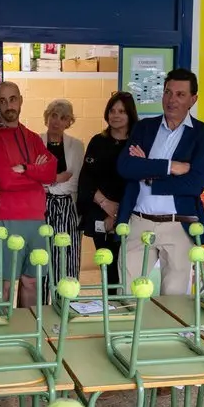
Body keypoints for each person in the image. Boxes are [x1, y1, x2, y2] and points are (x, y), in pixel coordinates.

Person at [117, 68, 204, 295]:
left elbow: (195, 184)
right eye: (168, 92)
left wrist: (149, 175)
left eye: (180, 94)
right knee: (128, 295)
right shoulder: (144, 127)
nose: (172, 100)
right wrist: (171, 167)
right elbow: (125, 167)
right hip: (138, 222)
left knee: (174, 299)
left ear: (193, 99)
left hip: (178, 225)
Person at [0, 81, 57, 307]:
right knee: (5, 284)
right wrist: (36, 173)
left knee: (32, 281)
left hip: (36, 219)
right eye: (2, 101)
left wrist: (25, 168)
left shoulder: (32, 137)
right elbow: (5, 179)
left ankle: (29, 326)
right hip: (7, 217)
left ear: (21, 100)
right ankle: (0, 328)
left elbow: (51, 172)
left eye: (12, 99)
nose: (8, 105)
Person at [78, 91, 138, 287]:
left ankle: (126, 304)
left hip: (130, 215)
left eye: (121, 111)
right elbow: (86, 179)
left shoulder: (137, 144)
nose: (115, 115)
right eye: (112, 110)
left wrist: (119, 214)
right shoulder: (98, 141)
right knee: (108, 271)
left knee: (128, 271)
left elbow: (139, 181)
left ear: (130, 114)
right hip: (101, 213)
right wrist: (105, 205)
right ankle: (109, 303)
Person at [41, 99, 84, 284]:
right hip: (41, 207)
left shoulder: (77, 145)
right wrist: (58, 178)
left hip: (68, 207)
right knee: (42, 258)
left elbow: (74, 183)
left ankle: (66, 298)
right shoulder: (36, 141)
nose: (57, 121)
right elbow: (34, 180)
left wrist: (48, 182)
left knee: (68, 258)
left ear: (69, 122)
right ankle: (41, 300)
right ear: (47, 117)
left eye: (63, 118)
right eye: (54, 115)